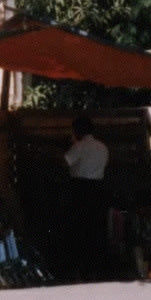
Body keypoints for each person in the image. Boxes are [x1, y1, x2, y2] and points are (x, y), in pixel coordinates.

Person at [62, 115, 109, 282]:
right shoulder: (102, 147)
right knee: (95, 228)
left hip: (80, 189)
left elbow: (65, 163)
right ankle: (95, 268)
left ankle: (80, 268)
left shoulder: (80, 147)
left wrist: (72, 144)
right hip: (98, 189)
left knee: (79, 228)